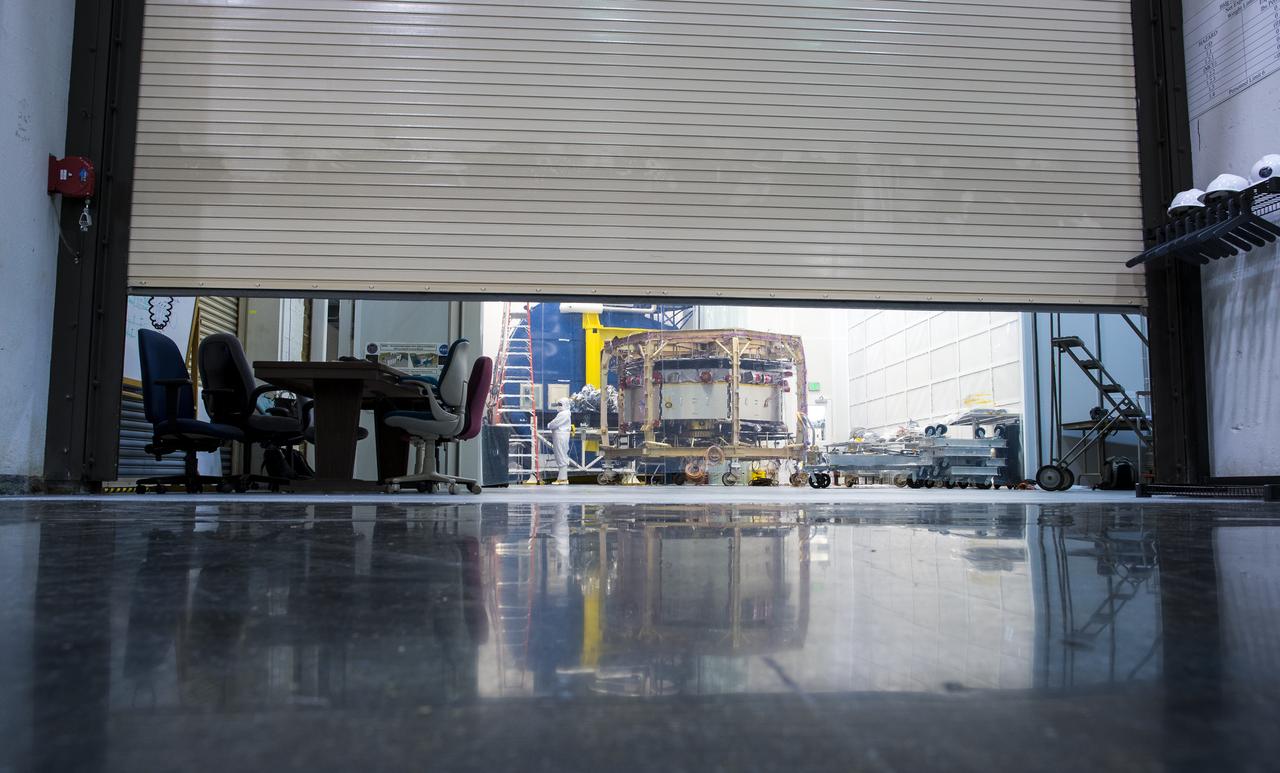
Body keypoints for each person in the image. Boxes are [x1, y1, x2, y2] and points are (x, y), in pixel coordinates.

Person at [547, 398, 573, 484]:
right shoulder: (564, 413)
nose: (559, 406)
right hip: (560, 435)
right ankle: (562, 478)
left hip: (560, 436)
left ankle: (563, 479)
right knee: (561, 455)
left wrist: (549, 425)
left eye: (560, 404)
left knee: (561, 455)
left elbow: (554, 423)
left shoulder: (564, 414)